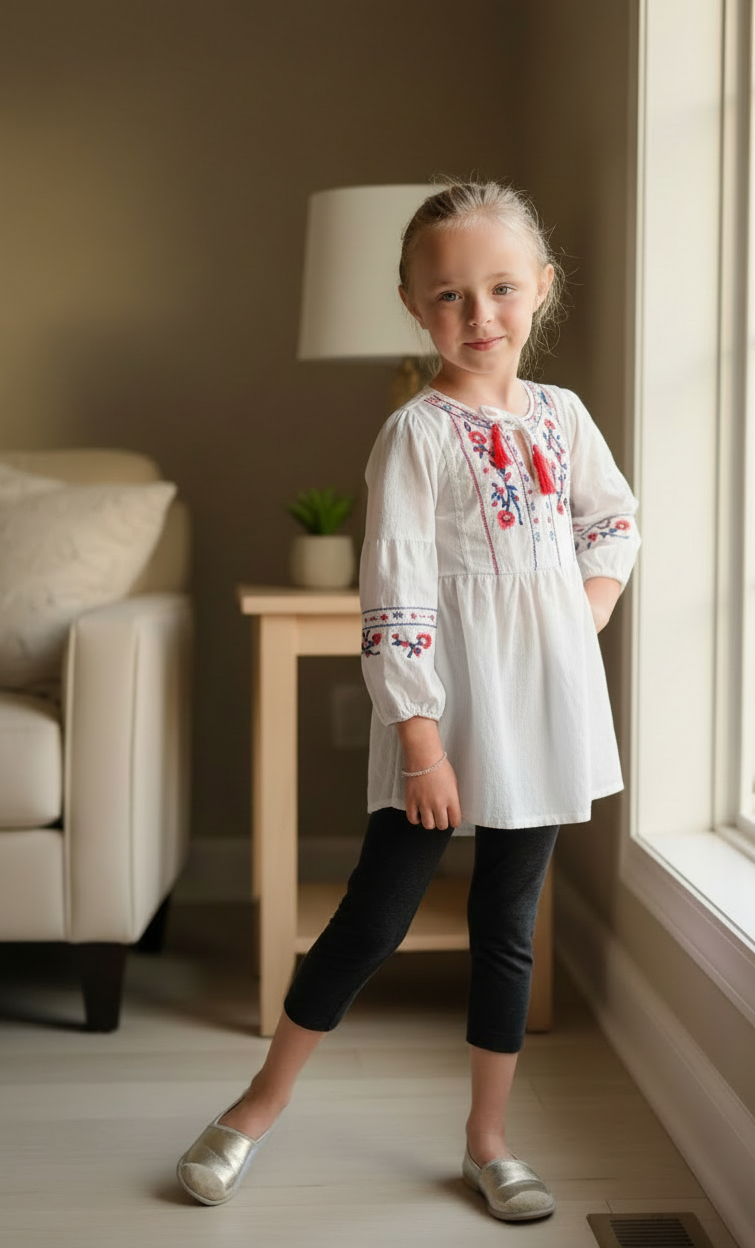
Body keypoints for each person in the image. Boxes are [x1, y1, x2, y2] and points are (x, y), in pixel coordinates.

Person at [176, 179, 640, 1223]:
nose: (479, 317)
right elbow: (393, 595)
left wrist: (587, 610)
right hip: (443, 718)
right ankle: (254, 1107)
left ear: (542, 291)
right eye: (449, 297)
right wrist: (422, 743)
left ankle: (487, 1141)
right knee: (372, 919)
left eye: (501, 290)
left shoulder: (564, 419)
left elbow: (611, 524)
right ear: (412, 304)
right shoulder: (416, 435)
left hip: (544, 711)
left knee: (507, 923)